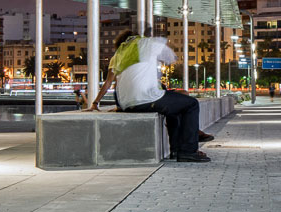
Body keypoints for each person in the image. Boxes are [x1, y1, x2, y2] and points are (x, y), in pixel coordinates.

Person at [86, 31, 210, 163]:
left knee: (174, 108)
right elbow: (171, 56)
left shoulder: (118, 55)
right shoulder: (145, 43)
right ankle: (189, 151)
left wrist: (96, 103)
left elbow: (109, 83)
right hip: (146, 99)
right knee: (192, 104)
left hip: (126, 104)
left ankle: (176, 150)